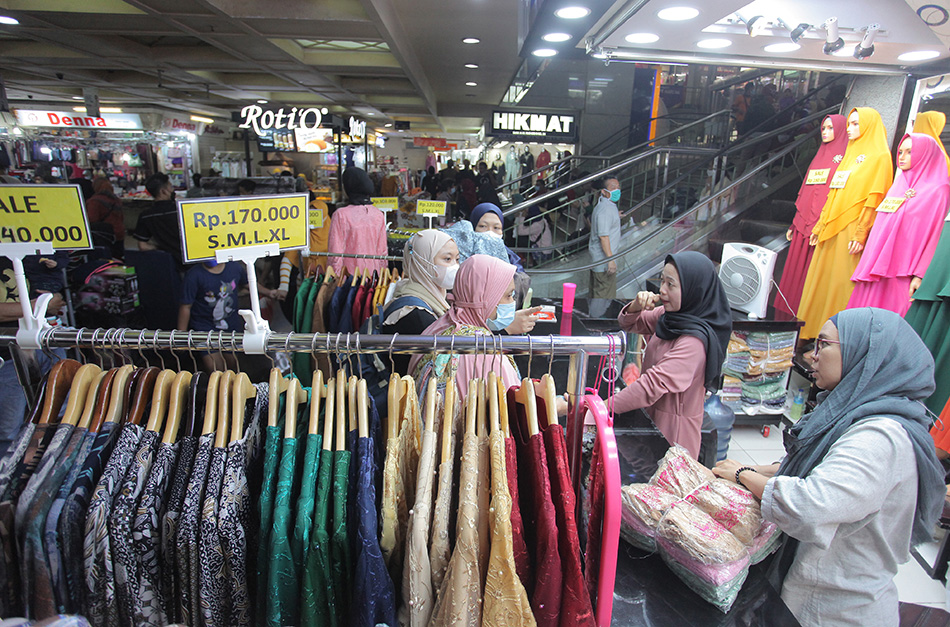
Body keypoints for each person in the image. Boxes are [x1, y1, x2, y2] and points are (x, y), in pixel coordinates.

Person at [712, 308, 945, 627]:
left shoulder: (880, 438)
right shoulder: (855, 416)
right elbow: (820, 466)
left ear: (866, 353)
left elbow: (809, 506)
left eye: (824, 344)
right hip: (813, 592)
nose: (812, 356)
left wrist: (743, 475)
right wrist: (767, 470)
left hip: (836, 611)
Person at [584, 252, 732, 458]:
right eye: (662, 280)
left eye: (670, 285)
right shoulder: (671, 317)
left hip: (673, 436)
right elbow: (629, 323)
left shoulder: (694, 342)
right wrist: (636, 305)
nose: (662, 290)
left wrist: (599, 408)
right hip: (650, 422)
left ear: (693, 290)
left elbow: (651, 385)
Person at [797, 107, 893, 340]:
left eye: (856, 124)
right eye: (849, 124)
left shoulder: (880, 158)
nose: (850, 129)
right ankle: (810, 334)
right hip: (830, 228)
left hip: (850, 232)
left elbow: (874, 198)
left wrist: (861, 234)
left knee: (840, 286)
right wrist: (820, 226)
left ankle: (833, 340)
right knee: (819, 282)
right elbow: (833, 194)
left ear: (869, 126)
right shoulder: (849, 154)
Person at [848, 133, 950, 315]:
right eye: (900, 151)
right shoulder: (899, 184)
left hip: (904, 272)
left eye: (909, 152)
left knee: (891, 319)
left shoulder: (939, 190)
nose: (901, 157)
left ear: (925, 154)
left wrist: (921, 274)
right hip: (877, 269)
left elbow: (936, 236)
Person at [408, 254, 522, 398]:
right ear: (484, 298)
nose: (512, 302)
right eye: (508, 295)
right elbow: (513, 408)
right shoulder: (485, 353)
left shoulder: (439, 327)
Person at [774, 114, 848, 321]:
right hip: (802, 223)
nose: (825, 132)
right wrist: (795, 220)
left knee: (810, 275)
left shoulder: (843, 159)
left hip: (821, 227)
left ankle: (804, 319)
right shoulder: (819, 155)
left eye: (831, 128)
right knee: (794, 273)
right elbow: (807, 189)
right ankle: (785, 317)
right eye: (823, 128)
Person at [380, 229, 459, 374]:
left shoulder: (428, 297)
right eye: (447, 259)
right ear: (423, 261)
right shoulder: (415, 314)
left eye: (457, 259)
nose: (455, 266)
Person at [177, 259, 276, 371]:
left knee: (232, 364)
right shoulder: (193, 276)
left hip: (230, 327)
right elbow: (186, 306)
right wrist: (181, 336)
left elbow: (249, 283)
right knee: (214, 367)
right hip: (204, 328)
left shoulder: (234, 268)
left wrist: (268, 292)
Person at [327, 167, 387, 277]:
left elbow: (335, 254)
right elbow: (382, 253)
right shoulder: (378, 214)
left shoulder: (341, 215)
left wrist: (335, 279)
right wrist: (382, 277)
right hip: (372, 278)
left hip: (348, 279)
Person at [133, 172, 186, 270]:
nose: (172, 190)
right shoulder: (182, 210)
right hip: (190, 264)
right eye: (170, 187)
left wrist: (160, 247)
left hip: (168, 265)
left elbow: (143, 246)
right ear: (163, 191)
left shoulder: (146, 216)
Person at [589, 177, 622, 317]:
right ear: (604, 191)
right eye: (613, 187)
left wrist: (616, 217)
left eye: (618, 187)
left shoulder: (605, 207)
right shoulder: (605, 209)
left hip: (599, 261)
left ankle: (593, 323)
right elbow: (603, 236)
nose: (617, 191)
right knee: (602, 298)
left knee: (597, 296)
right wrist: (611, 260)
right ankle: (596, 328)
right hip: (604, 263)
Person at [85, 176, 126, 254]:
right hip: (119, 233)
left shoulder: (94, 201)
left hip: (104, 235)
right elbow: (121, 217)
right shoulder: (116, 200)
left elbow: (92, 219)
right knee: (119, 257)